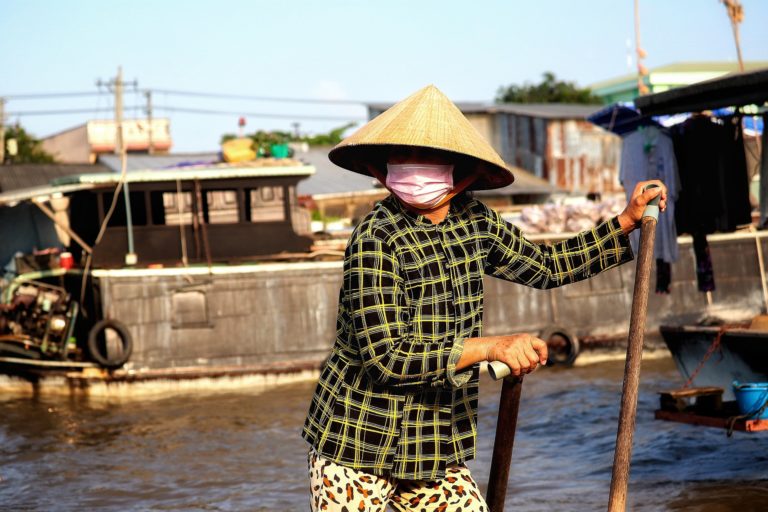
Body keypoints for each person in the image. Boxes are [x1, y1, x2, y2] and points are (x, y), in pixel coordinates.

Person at [302, 85, 667, 512]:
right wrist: (491, 347)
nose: (413, 170)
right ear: (383, 170)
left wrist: (624, 222)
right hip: (358, 443)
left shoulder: (475, 221)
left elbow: (546, 266)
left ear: (461, 172)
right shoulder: (375, 238)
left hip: (432, 440)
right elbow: (387, 358)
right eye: (403, 158)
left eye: (427, 158)